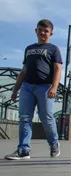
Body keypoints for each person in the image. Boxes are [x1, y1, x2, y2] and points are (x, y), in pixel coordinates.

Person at [5, 19, 62, 160]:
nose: (43, 33)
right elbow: (24, 70)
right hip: (27, 86)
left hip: (45, 87)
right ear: (36, 31)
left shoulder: (53, 49)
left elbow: (57, 68)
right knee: (24, 118)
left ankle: (54, 144)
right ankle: (23, 150)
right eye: (40, 30)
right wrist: (15, 90)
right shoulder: (29, 49)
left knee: (46, 118)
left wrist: (54, 86)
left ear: (51, 33)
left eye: (46, 31)